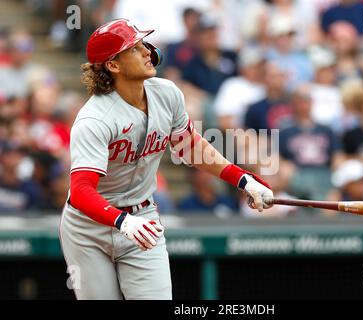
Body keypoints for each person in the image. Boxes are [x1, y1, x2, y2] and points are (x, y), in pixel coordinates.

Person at [58, 18, 273, 300]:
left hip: (143, 218)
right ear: (113, 65)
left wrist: (242, 178)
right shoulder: (94, 119)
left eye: (143, 44)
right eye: (135, 48)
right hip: (88, 229)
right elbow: (83, 191)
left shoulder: (167, 92)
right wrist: (122, 221)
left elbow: (189, 147)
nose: (148, 51)